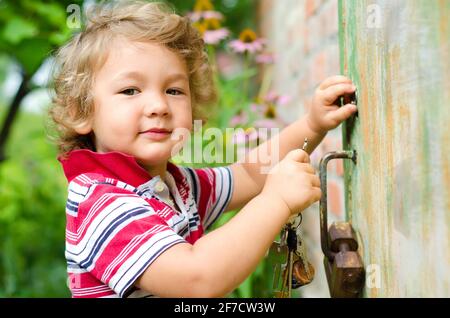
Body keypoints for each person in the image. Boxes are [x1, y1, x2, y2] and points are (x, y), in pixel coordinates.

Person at [49, 0, 358, 298]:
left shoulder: (176, 186)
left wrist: (313, 124)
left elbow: (249, 174)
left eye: (174, 90)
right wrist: (276, 200)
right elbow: (198, 278)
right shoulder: (103, 204)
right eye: (130, 90)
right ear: (82, 112)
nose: (158, 105)